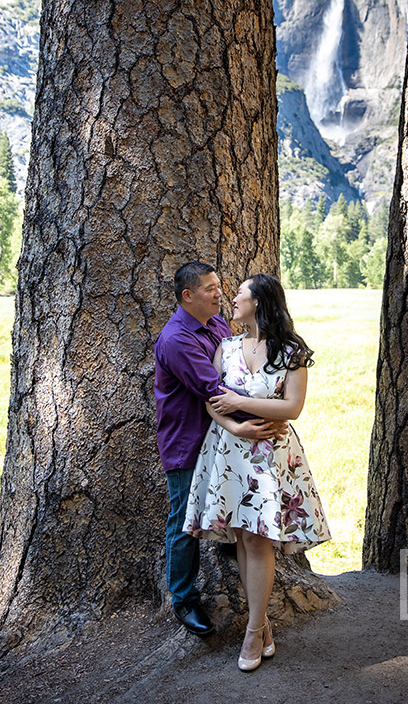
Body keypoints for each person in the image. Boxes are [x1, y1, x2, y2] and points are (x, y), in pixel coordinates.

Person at [183, 273, 331, 671]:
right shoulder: (226, 347)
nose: (233, 299)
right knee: (245, 542)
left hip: (270, 456)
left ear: (260, 303)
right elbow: (214, 400)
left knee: (261, 542)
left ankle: (253, 632)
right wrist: (234, 421)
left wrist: (240, 401)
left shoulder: (290, 351)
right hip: (230, 452)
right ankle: (260, 624)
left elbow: (292, 408)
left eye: (240, 295)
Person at [154, 262, 285, 638]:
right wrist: (275, 408)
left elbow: (235, 373)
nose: (219, 293)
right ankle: (183, 599)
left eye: (220, 286)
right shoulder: (177, 339)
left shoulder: (215, 324)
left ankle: (240, 556)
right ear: (187, 296)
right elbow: (216, 390)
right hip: (188, 440)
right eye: (210, 288)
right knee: (185, 520)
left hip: (225, 440)